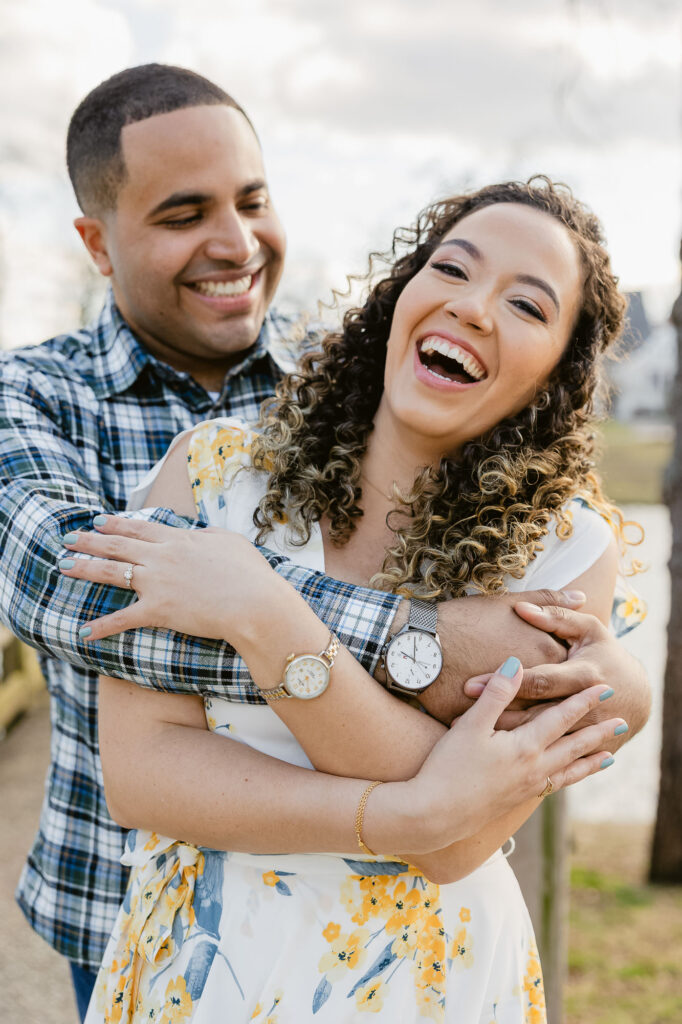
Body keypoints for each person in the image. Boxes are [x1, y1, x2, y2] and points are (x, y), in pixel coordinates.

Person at [0, 63, 646, 1018]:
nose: (233, 241)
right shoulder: (193, 457)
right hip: (185, 944)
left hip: (434, 977)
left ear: (561, 370)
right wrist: (424, 718)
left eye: (528, 303)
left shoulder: (566, 544)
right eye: (183, 215)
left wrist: (260, 610)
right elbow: (110, 691)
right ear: (97, 244)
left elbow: (463, 838)